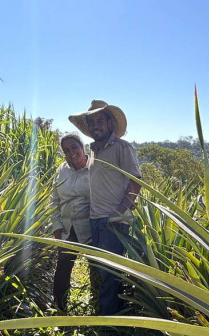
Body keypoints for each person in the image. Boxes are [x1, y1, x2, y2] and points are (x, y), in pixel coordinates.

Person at [68, 100, 141, 315]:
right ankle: (111, 313)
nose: (95, 125)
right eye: (91, 122)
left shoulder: (121, 147)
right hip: (96, 219)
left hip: (114, 221)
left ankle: (107, 322)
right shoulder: (93, 152)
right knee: (102, 269)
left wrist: (119, 212)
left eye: (100, 120)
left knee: (109, 272)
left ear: (110, 123)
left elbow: (135, 181)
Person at [50, 132, 91, 313]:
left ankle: (99, 308)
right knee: (63, 267)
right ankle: (59, 308)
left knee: (97, 269)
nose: (71, 153)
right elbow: (54, 200)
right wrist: (56, 225)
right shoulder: (62, 170)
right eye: (66, 150)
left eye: (74, 147)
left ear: (83, 148)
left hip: (90, 227)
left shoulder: (95, 168)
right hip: (67, 228)